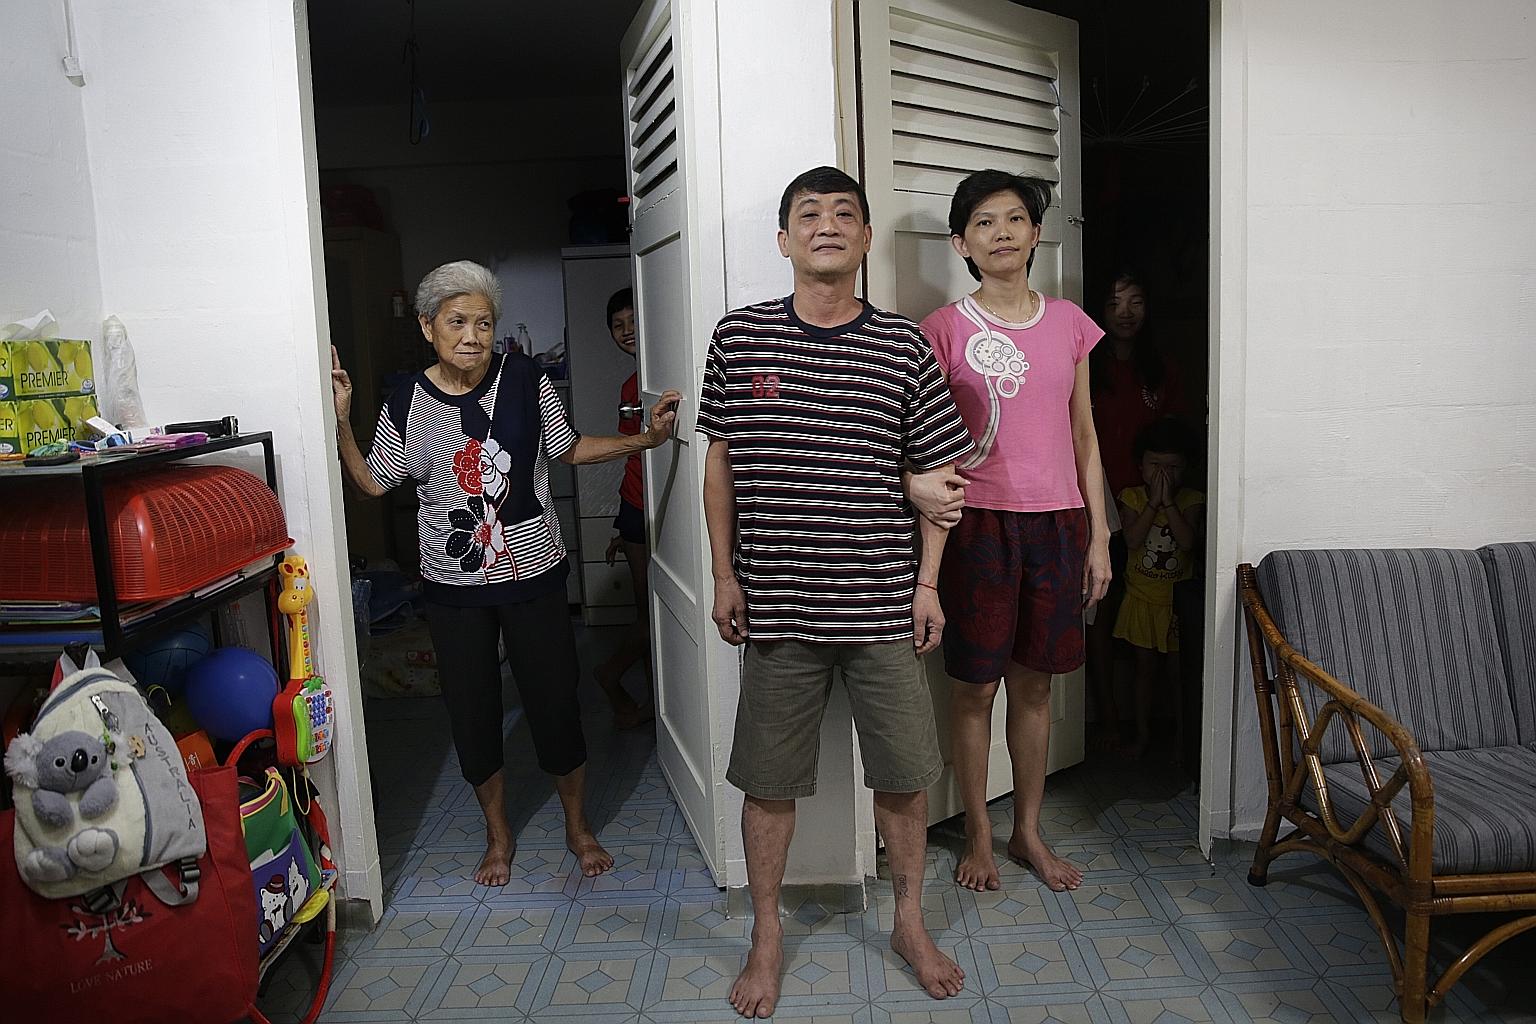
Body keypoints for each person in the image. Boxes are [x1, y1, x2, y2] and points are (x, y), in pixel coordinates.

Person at [699, 167, 975, 1018]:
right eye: (807, 215)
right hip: (778, 603)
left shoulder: (901, 346)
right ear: (783, 240)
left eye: (843, 215)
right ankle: (767, 936)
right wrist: (722, 570)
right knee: (768, 781)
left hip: (884, 603)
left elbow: (940, 478)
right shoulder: (740, 340)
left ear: (862, 241)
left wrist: (928, 585)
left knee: (904, 774)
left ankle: (910, 922)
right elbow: (722, 461)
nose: (826, 226)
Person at [331, 260, 682, 886]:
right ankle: (498, 834)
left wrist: (647, 443)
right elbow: (371, 483)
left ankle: (577, 825)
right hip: (451, 592)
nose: (472, 335)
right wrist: (341, 422)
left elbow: (567, 449)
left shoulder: (525, 379)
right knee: (472, 711)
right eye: (457, 321)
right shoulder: (407, 400)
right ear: (427, 326)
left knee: (554, 704)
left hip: (534, 579)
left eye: (484, 323)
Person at [914, 169, 1112, 895]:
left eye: (1014, 219)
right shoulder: (943, 329)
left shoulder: (1070, 323)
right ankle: (975, 830)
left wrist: (1100, 537)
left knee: (1036, 689)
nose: (1001, 233)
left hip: (1059, 524)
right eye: (984, 223)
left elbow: (1084, 436)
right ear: (961, 241)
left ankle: (1028, 829)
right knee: (973, 689)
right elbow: (927, 446)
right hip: (978, 527)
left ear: (1035, 232)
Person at [1085, 270, 1187, 750]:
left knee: (1157, 609)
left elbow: (1176, 439)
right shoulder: (1087, 364)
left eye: (1136, 301)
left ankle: (1164, 727)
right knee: (1100, 611)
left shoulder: (1162, 367)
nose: (1125, 313)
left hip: (1155, 509)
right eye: (1114, 302)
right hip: (1100, 503)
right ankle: (1108, 720)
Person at [1114, 418, 1204, 761]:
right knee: (1143, 672)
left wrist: (1168, 503)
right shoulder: (1132, 498)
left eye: (1172, 467)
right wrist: (1153, 503)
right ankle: (1142, 735)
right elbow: (1134, 540)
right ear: (1140, 466)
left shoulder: (1193, 500)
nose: (1163, 475)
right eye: (1155, 466)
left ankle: (1184, 742)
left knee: (1178, 676)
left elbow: (1185, 542)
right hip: (1141, 600)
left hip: (1177, 604)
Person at [594, 287, 654, 730]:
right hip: (637, 506)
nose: (627, 331)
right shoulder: (630, 386)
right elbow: (633, 454)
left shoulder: (655, 378)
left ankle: (652, 702)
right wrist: (625, 526)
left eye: (633, 321)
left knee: (661, 612)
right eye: (618, 326)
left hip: (656, 507)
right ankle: (611, 677)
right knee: (650, 613)